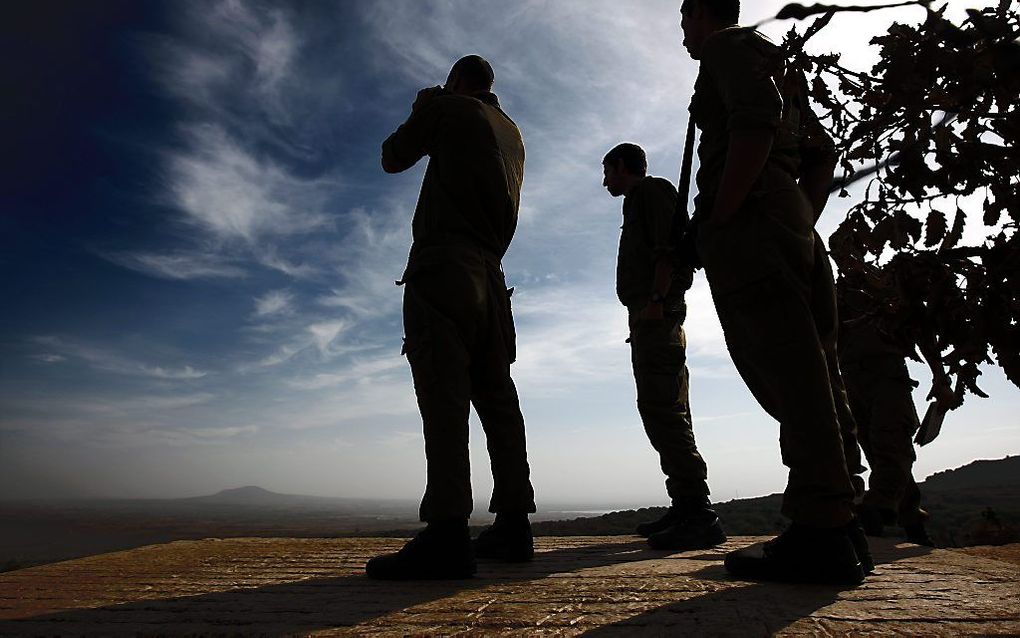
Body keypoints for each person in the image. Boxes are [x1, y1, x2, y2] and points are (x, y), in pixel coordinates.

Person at [678, 0, 872, 584]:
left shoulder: (726, 48)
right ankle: (839, 515)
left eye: (686, 20)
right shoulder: (777, 58)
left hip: (756, 221)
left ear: (704, 15)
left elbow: (755, 125)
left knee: (787, 370)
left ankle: (820, 531)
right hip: (788, 216)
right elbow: (822, 154)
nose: (684, 33)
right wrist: (798, 222)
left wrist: (724, 216)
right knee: (816, 368)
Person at [367, 55, 537, 580]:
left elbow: (392, 156)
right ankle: (513, 523)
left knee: (444, 396)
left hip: (446, 266)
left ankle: (446, 533)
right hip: (492, 274)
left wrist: (427, 104)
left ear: (458, 81)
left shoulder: (448, 108)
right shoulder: (512, 133)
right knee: (498, 399)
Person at [601, 142, 726, 550]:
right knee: (661, 407)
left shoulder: (652, 192)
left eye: (608, 171)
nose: (606, 180)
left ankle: (698, 512)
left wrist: (655, 301)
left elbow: (668, 250)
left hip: (658, 311)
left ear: (623, 166)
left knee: (663, 408)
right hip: (648, 314)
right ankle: (684, 504)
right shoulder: (637, 200)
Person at [835, 256, 959, 547]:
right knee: (877, 451)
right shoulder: (838, 294)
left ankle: (874, 510)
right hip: (850, 378)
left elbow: (921, 330)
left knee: (891, 443)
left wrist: (940, 377)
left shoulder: (889, 288)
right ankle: (911, 517)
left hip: (888, 374)